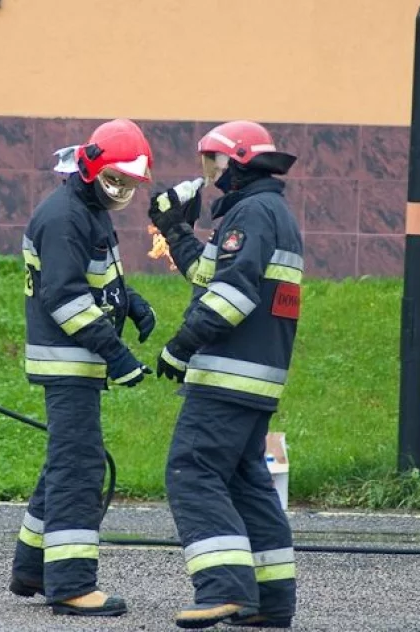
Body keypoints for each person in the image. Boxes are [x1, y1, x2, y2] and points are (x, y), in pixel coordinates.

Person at [148, 121, 304, 629]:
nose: (209, 174)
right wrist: (175, 231)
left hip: (228, 375)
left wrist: (180, 346)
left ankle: (223, 589)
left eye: (213, 162)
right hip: (256, 377)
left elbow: (232, 295)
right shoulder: (267, 211)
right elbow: (210, 275)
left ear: (237, 161)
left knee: (192, 470)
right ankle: (270, 599)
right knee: (245, 481)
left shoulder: (251, 213)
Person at [9, 118, 157, 617]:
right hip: (68, 361)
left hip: (76, 362)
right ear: (89, 169)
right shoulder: (65, 217)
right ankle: (71, 584)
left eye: (128, 184)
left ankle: (33, 568)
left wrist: (132, 303)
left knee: (64, 463)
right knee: (78, 469)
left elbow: (97, 278)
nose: (120, 192)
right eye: (114, 181)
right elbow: (66, 298)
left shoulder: (88, 209)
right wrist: (117, 355)